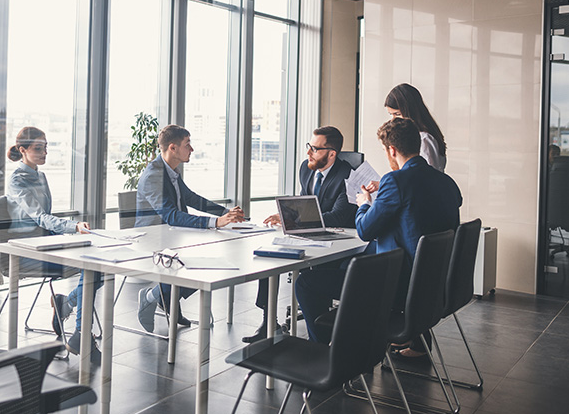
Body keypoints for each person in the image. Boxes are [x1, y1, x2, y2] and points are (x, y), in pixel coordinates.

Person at [356, 117, 462, 358]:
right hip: (437, 282)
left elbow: (364, 231)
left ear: (391, 150)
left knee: (310, 284)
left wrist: (364, 205)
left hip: (401, 285)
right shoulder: (447, 182)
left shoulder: (394, 181)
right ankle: (412, 341)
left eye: (385, 151)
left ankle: (342, 356)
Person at [242, 126, 357, 343]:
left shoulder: (348, 176)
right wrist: (286, 215)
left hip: (337, 241)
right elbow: (305, 203)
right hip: (307, 234)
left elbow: (338, 216)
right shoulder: (306, 168)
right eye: (309, 147)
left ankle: (321, 335)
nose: (308, 153)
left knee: (311, 279)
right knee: (270, 256)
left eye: (315, 148)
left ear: (331, 153)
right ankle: (269, 323)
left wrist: (296, 220)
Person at [135, 124, 245, 332]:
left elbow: (191, 198)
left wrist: (225, 213)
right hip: (152, 241)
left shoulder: (171, 172)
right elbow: (171, 215)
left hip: (172, 237)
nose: (192, 149)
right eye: (188, 144)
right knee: (199, 266)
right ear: (173, 148)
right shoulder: (153, 175)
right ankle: (153, 296)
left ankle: (164, 297)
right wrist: (215, 223)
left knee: (206, 263)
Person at [6, 126, 100, 359]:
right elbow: (39, 217)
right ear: (23, 150)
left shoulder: (40, 175)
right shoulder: (17, 180)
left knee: (97, 265)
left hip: (46, 244)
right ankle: (79, 333)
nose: (45, 152)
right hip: (28, 251)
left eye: (46, 147)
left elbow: (45, 220)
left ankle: (67, 305)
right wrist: (73, 227)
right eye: (38, 148)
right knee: (91, 269)